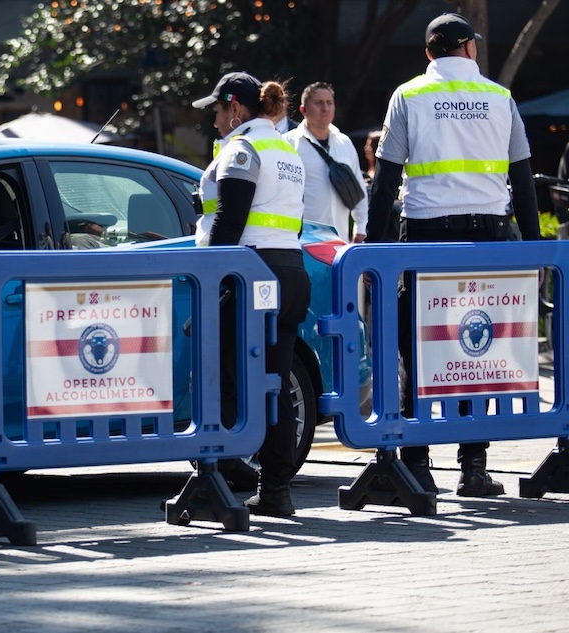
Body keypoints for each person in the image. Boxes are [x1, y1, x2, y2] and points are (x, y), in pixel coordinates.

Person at [365, 13, 540, 497]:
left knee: (419, 346)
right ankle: (474, 468)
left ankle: (417, 466)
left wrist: (373, 250)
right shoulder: (498, 97)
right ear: (469, 49)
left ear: (429, 54)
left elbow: (384, 181)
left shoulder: (410, 95)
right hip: (489, 238)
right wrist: (536, 247)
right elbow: (523, 181)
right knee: (474, 347)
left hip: (426, 236)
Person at [192, 71, 311, 516]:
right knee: (273, 385)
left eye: (217, 112)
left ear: (236, 108)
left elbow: (228, 223)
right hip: (289, 272)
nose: (215, 122)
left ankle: (216, 487)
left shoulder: (242, 148)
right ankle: (276, 491)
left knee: (226, 380)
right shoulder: (285, 147)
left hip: (247, 276)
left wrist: (209, 280)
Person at [284, 82, 368, 243]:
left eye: (329, 103)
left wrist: (361, 228)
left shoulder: (344, 142)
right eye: (319, 103)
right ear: (303, 110)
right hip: (302, 242)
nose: (325, 108)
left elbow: (360, 191)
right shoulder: (288, 144)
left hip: (340, 242)